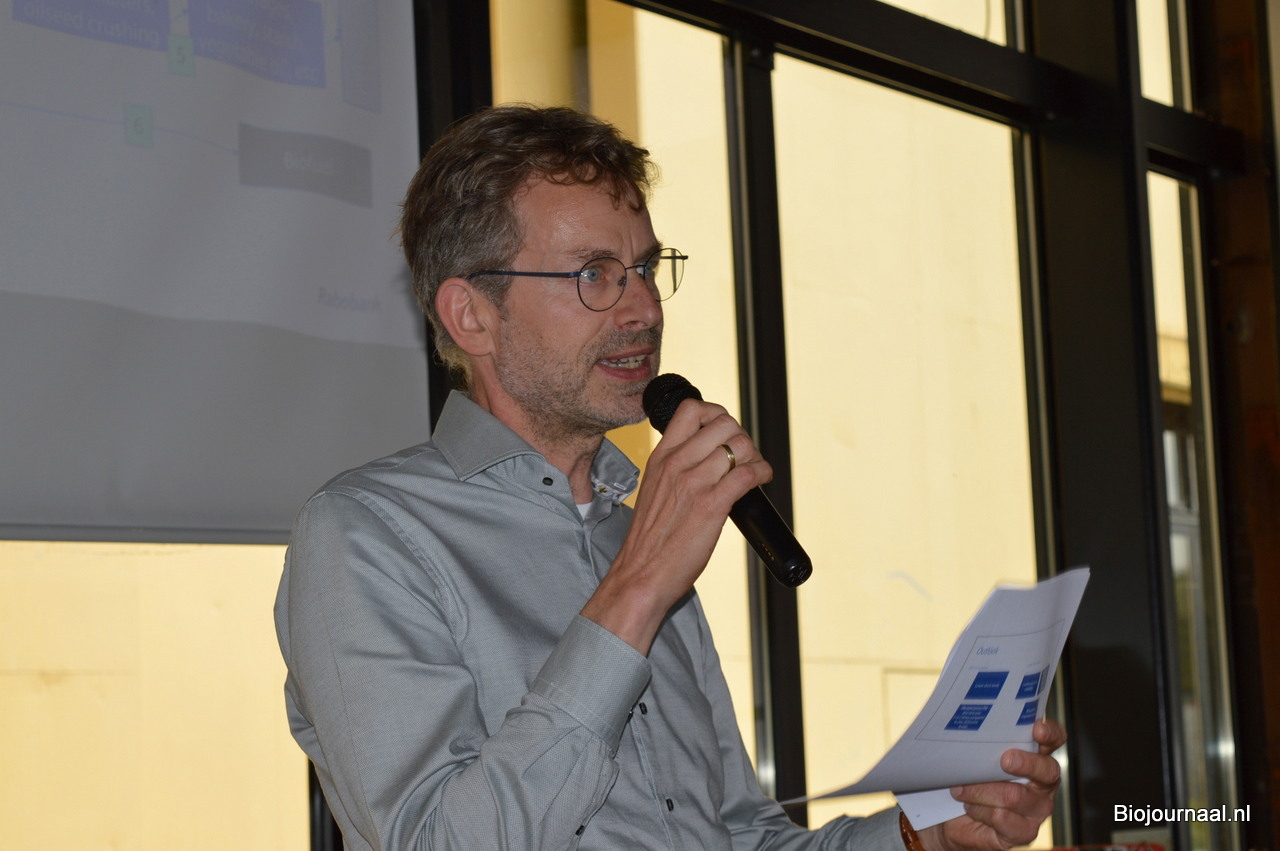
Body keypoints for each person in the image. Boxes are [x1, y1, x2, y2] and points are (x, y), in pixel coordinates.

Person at [274, 104, 1064, 851]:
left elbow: (740, 835)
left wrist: (924, 831)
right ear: (471, 315)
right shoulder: (367, 534)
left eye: (646, 268)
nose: (645, 309)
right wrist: (641, 583)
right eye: (594, 273)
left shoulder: (633, 531)